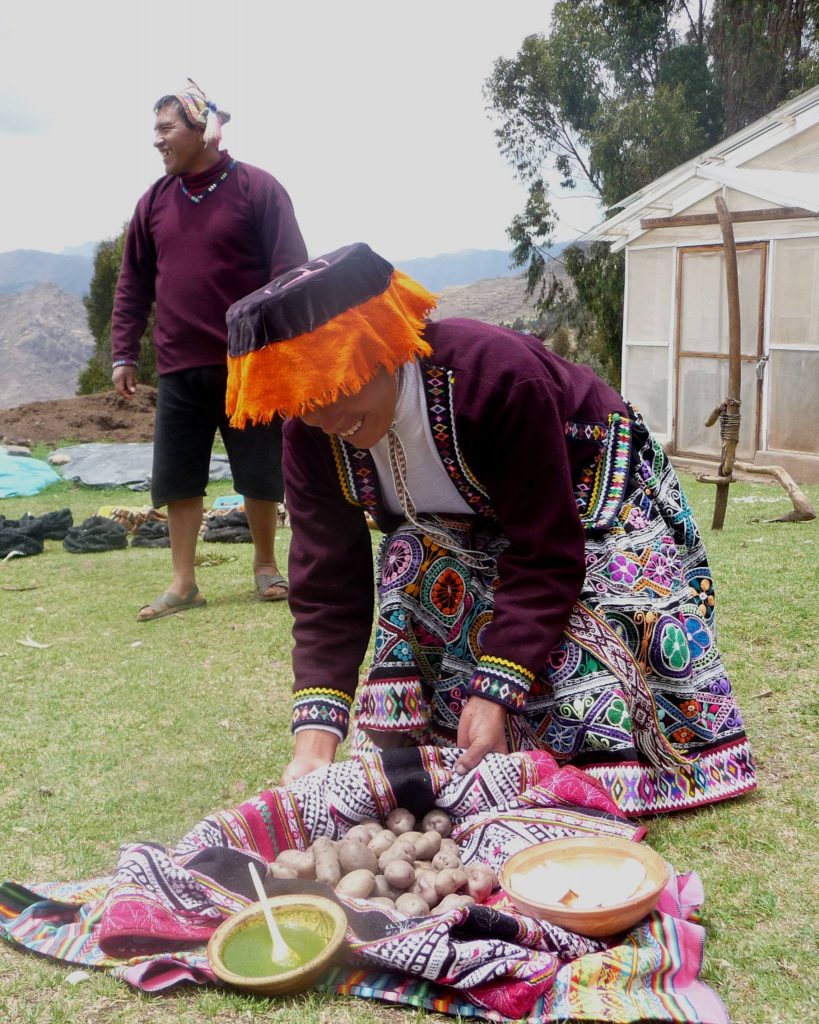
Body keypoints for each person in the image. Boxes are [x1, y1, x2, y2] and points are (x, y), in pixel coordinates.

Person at [225, 243, 757, 817]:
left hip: (591, 501)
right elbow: (328, 583)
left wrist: (497, 687)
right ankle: (437, 731)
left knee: (596, 632)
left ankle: (585, 745)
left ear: (383, 346)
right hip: (472, 525)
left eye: (336, 390)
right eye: (305, 402)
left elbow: (546, 550)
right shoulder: (311, 436)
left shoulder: (495, 377)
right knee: (408, 557)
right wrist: (314, 741)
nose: (327, 418)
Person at [111, 79, 307, 620]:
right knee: (178, 474)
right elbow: (133, 284)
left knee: (259, 469)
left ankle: (266, 566)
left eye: (165, 127)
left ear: (201, 129)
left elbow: (289, 271)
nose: (157, 140)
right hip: (178, 365)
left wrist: (282, 348)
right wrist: (124, 352)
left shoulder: (258, 189)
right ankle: (183, 583)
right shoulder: (154, 201)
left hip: (249, 362)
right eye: (155, 129)